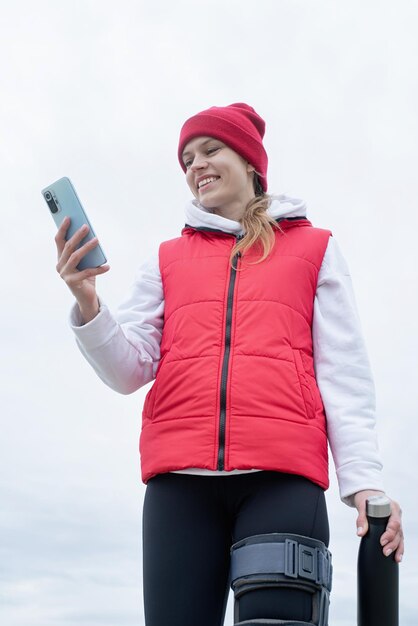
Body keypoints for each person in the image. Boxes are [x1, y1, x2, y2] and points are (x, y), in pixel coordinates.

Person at [55, 103, 404, 626]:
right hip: (179, 488)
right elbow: (128, 370)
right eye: (187, 159)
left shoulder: (315, 249)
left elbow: (344, 374)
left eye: (210, 150)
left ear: (250, 162)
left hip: (282, 481)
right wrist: (87, 301)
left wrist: (365, 484)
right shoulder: (168, 257)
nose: (196, 165)